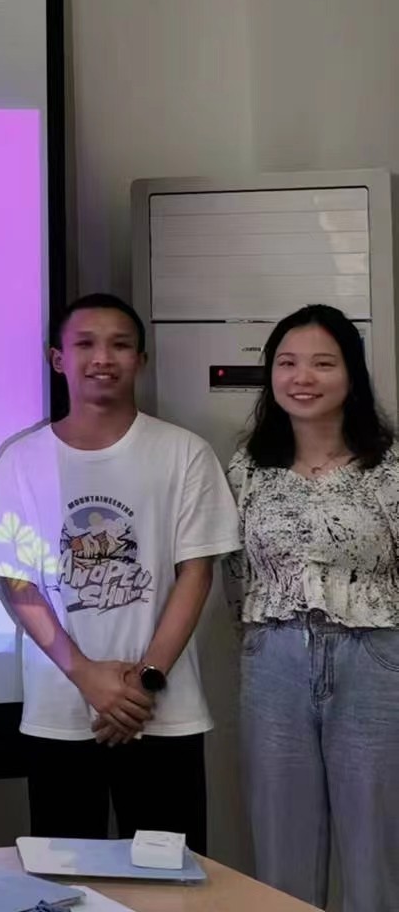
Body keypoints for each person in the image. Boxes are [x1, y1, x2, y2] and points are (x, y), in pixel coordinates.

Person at [0, 292, 239, 854]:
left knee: (170, 880)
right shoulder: (22, 460)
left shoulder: (184, 453)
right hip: (62, 712)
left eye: (120, 345)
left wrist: (145, 680)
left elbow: (196, 573)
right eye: (85, 344)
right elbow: (15, 581)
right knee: (68, 879)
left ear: (142, 358)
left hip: (162, 712)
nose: (103, 358)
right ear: (57, 358)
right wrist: (85, 675)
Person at [224, 304, 399, 912]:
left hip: (374, 663)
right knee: (281, 848)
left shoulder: (389, 469)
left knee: (376, 847)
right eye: (287, 363)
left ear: (352, 374)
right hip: (273, 661)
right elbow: (233, 577)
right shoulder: (247, 471)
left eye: (323, 363)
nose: (302, 377)